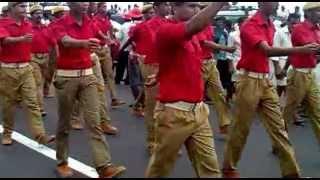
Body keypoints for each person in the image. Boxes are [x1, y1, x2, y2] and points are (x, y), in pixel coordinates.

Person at [222, 2, 320, 178]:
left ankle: (292, 173)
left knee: (279, 128)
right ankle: (229, 168)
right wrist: (300, 50)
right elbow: (266, 51)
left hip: (265, 80)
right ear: (261, 3)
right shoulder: (250, 25)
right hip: (248, 80)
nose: (277, 4)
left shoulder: (269, 25)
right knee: (240, 129)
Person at [145, 2, 229, 178]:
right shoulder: (166, 30)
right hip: (174, 114)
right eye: (191, 5)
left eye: (198, 6)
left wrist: (160, 75)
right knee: (159, 170)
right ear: (174, 8)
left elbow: (173, 59)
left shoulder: (193, 36)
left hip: (199, 112)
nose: (196, 10)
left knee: (211, 170)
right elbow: (195, 25)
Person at [49, 2, 125, 178]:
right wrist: (85, 43)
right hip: (66, 77)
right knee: (65, 123)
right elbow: (65, 42)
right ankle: (62, 162)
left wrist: (105, 41)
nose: (85, 4)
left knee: (94, 122)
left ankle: (104, 166)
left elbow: (97, 37)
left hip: (88, 75)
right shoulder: (59, 23)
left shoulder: (90, 21)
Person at [0, 2, 55, 146]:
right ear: (12, 8)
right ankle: (7, 133)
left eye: (26, 6)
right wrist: (21, 39)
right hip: (8, 70)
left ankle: (40, 135)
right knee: (8, 104)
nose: (26, 9)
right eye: (22, 6)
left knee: (32, 103)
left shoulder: (28, 24)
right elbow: (4, 40)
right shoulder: (3, 23)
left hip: (26, 67)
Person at [283, 2, 320, 142]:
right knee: (289, 110)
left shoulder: (317, 29)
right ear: (309, 13)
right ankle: (279, 141)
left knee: (317, 112)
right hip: (299, 73)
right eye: (318, 11)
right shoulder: (299, 29)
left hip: (310, 72)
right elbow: (313, 48)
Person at [94, 2, 126, 109]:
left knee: (110, 74)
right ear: (98, 8)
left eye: (105, 7)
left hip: (105, 49)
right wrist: (108, 39)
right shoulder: (94, 20)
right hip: (96, 49)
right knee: (97, 77)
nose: (105, 8)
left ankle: (114, 98)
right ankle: (97, 99)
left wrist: (113, 38)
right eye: (103, 7)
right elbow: (99, 33)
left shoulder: (106, 20)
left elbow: (110, 30)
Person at [29, 5, 55, 117]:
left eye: (40, 13)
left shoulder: (46, 28)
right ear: (32, 15)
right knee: (38, 83)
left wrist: (55, 55)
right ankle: (40, 107)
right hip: (32, 58)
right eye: (36, 13)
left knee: (44, 81)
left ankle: (32, 100)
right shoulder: (27, 28)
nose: (39, 15)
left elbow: (53, 42)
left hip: (46, 57)